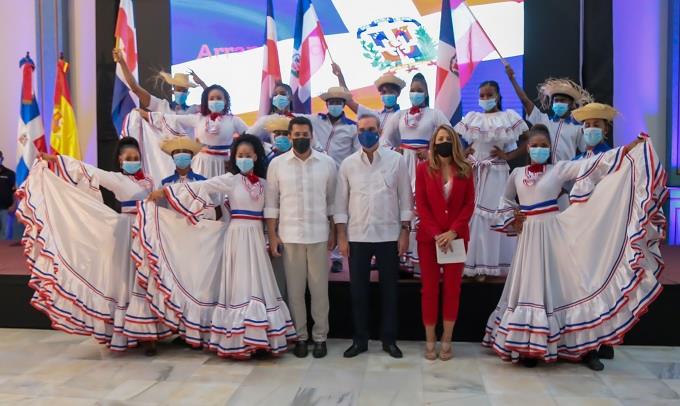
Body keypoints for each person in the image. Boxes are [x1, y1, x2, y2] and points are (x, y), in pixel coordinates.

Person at [483, 125, 666, 371]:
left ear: (550, 148)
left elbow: (593, 164)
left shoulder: (558, 169)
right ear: (527, 147)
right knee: (530, 285)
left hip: (554, 233)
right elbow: (505, 200)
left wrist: (628, 149)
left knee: (568, 285)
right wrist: (512, 218)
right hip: (528, 237)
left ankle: (583, 346)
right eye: (535, 145)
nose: (539, 149)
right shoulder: (516, 174)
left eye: (544, 145)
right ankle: (528, 346)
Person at [146, 134, 296, 358]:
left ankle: (261, 337)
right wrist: (165, 192)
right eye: (240, 155)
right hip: (236, 235)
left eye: (248, 155)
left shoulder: (265, 184)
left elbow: (271, 212)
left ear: (256, 156)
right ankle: (240, 339)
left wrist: (271, 236)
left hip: (256, 235)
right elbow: (201, 186)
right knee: (239, 282)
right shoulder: (230, 180)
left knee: (258, 280)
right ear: (234, 158)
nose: (244, 158)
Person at [32, 138, 169, 355]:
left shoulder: (150, 180)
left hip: (148, 231)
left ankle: (151, 332)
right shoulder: (116, 178)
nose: (133, 161)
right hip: (127, 231)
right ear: (120, 160)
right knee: (129, 280)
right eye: (129, 158)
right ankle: (134, 333)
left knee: (147, 279)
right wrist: (53, 159)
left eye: (136, 157)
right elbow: (87, 169)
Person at [335, 114, 413, 359]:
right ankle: (360, 340)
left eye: (370, 129)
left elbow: (405, 199)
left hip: (389, 235)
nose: (366, 134)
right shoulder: (348, 164)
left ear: (379, 131)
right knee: (358, 293)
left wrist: (405, 232)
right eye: (361, 130)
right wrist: (342, 236)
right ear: (357, 132)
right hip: (357, 235)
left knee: (390, 292)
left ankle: (389, 340)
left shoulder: (396, 160)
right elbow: (340, 203)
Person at [265, 116, 337, 359]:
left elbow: (332, 203)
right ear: (289, 136)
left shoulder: (327, 163)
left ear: (312, 135)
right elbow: (271, 204)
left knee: (320, 291)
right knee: (295, 292)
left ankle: (320, 337)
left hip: (319, 235)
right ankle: (301, 337)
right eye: (296, 135)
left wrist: (334, 231)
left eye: (305, 135)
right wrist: (272, 235)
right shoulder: (277, 165)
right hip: (290, 236)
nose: (301, 138)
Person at [453, 81, 528, 279]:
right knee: (471, 214)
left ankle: (490, 265)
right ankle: (471, 265)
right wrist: (464, 152)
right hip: (474, 171)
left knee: (492, 214)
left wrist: (509, 155)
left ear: (498, 96)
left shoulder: (508, 117)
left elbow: (528, 138)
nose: (485, 99)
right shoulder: (473, 118)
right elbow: (457, 137)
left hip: (495, 172)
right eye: (482, 95)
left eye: (489, 95)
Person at [415, 125, 475, 360]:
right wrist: (436, 234)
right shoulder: (423, 169)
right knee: (429, 290)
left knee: (452, 290)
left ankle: (447, 339)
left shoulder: (465, 169)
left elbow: (469, 204)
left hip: (456, 239)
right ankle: (430, 339)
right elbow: (421, 204)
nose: (443, 142)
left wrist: (453, 232)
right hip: (429, 240)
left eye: (447, 138)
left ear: (455, 142)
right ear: (433, 143)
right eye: (439, 139)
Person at [382, 73, 450, 274]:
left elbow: (450, 138)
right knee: (402, 207)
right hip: (403, 166)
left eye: (420, 90)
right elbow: (384, 140)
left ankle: (423, 262)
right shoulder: (399, 115)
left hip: (427, 166)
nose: (415, 93)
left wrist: (431, 153)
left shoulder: (435, 114)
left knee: (424, 209)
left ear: (427, 93)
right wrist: (395, 151)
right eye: (412, 90)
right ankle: (402, 260)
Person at [299, 86, 359, 274]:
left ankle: (337, 257)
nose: (334, 105)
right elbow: (294, 119)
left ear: (344, 105)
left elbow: (356, 154)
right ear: (326, 104)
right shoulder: (315, 120)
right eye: (331, 102)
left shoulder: (352, 127)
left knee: (338, 215)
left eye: (338, 102)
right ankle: (313, 254)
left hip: (340, 177)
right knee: (316, 213)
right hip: (315, 174)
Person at [140, 85, 248, 178]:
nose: (215, 101)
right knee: (202, 191)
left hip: (225, 164)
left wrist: (235, 156)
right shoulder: (199, 118)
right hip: (202, 163)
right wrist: (148, 116)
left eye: (219, 98)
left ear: (225, 101)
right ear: (206, 102)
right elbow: (174, 119)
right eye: (211, 99)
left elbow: (250, 136)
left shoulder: (234, 120)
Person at [505, 64, 592, 162]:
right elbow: (525, 101)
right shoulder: (543, 120)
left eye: (562, 100)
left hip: (566, 170)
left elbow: (587, 151)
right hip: (545, 169)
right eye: (556, 101)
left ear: (571, 104)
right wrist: (512, 79)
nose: (558, 103)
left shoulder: (578, 127)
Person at [112, 48, 206, 116]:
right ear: (173, 90)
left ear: (188, 92)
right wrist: (122, 62)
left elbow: (212, 104)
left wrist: (202, 84)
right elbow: (135, 88)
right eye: (178, 89)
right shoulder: (162, 106)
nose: (181, 93)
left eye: (184, 90)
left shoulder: (194, 111)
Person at [331, 63, 405, 129]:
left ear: (398, 93)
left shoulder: (404, 118)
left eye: (391, 92)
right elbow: (348, 100)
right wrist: (339, 75)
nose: (387, 95)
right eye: (384, 92)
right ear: (380, 94)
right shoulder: (374, 115)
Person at [0, 150, 16, 239]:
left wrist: (14, 205)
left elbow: (15, 191)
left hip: (6, 209)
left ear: (2, 158)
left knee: (6, 235)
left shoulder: (10, 173)